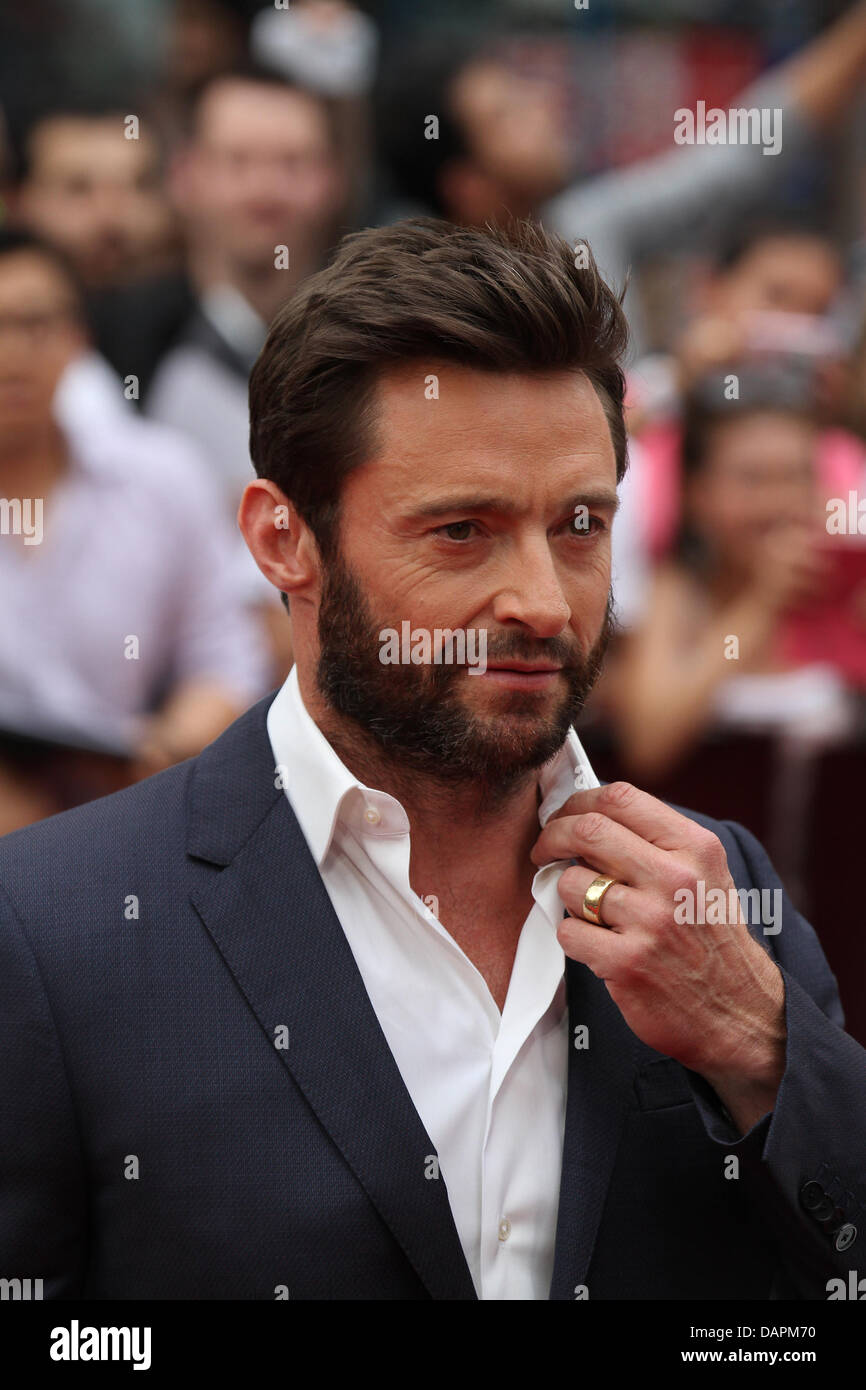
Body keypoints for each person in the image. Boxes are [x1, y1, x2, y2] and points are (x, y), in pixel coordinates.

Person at [1, 218, 863, 1301]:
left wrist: (759, 1045)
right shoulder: (51, 927)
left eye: (580, 524)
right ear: (283, 539)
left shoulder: (720, 892)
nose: (542, 602)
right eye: (461, 530)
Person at [376, 2, 866, 354]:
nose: (544, 105)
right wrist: (676, 382)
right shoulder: (431, 313)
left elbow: (740, 158)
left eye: (523, 89)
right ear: (469, 185)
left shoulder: (585, 224)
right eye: (509, 114)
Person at [0, 228, 270, 825]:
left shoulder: (160, 478)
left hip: (126, 809)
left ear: (77, 339)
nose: (12, 352)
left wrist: (178, 743)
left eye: (33, 323)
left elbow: (224, 650)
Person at [610, 368, 862, 780]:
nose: (778, 501)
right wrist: (760, 603)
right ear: (697, 494)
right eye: (752, 479)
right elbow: (648, 744)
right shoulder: (675, 592)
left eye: (797, 476)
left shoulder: (844, 588)